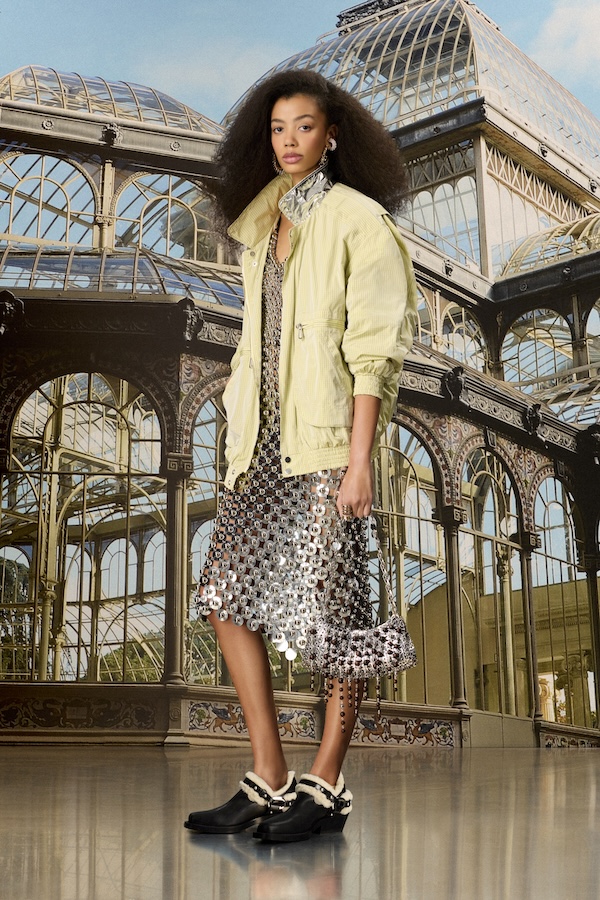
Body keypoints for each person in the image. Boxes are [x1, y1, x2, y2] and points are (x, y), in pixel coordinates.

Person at [184, 69, 417, 843]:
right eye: (278, 128)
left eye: (304, 126)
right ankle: (271, 777)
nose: (289, 140)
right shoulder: (264, 226)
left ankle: (327, 782)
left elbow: (375, 351)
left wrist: (360, 459)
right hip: (261, 446)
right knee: (224, 596)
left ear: (333, 134)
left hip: (326, 446)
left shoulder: (359, 220)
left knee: (335, 616)